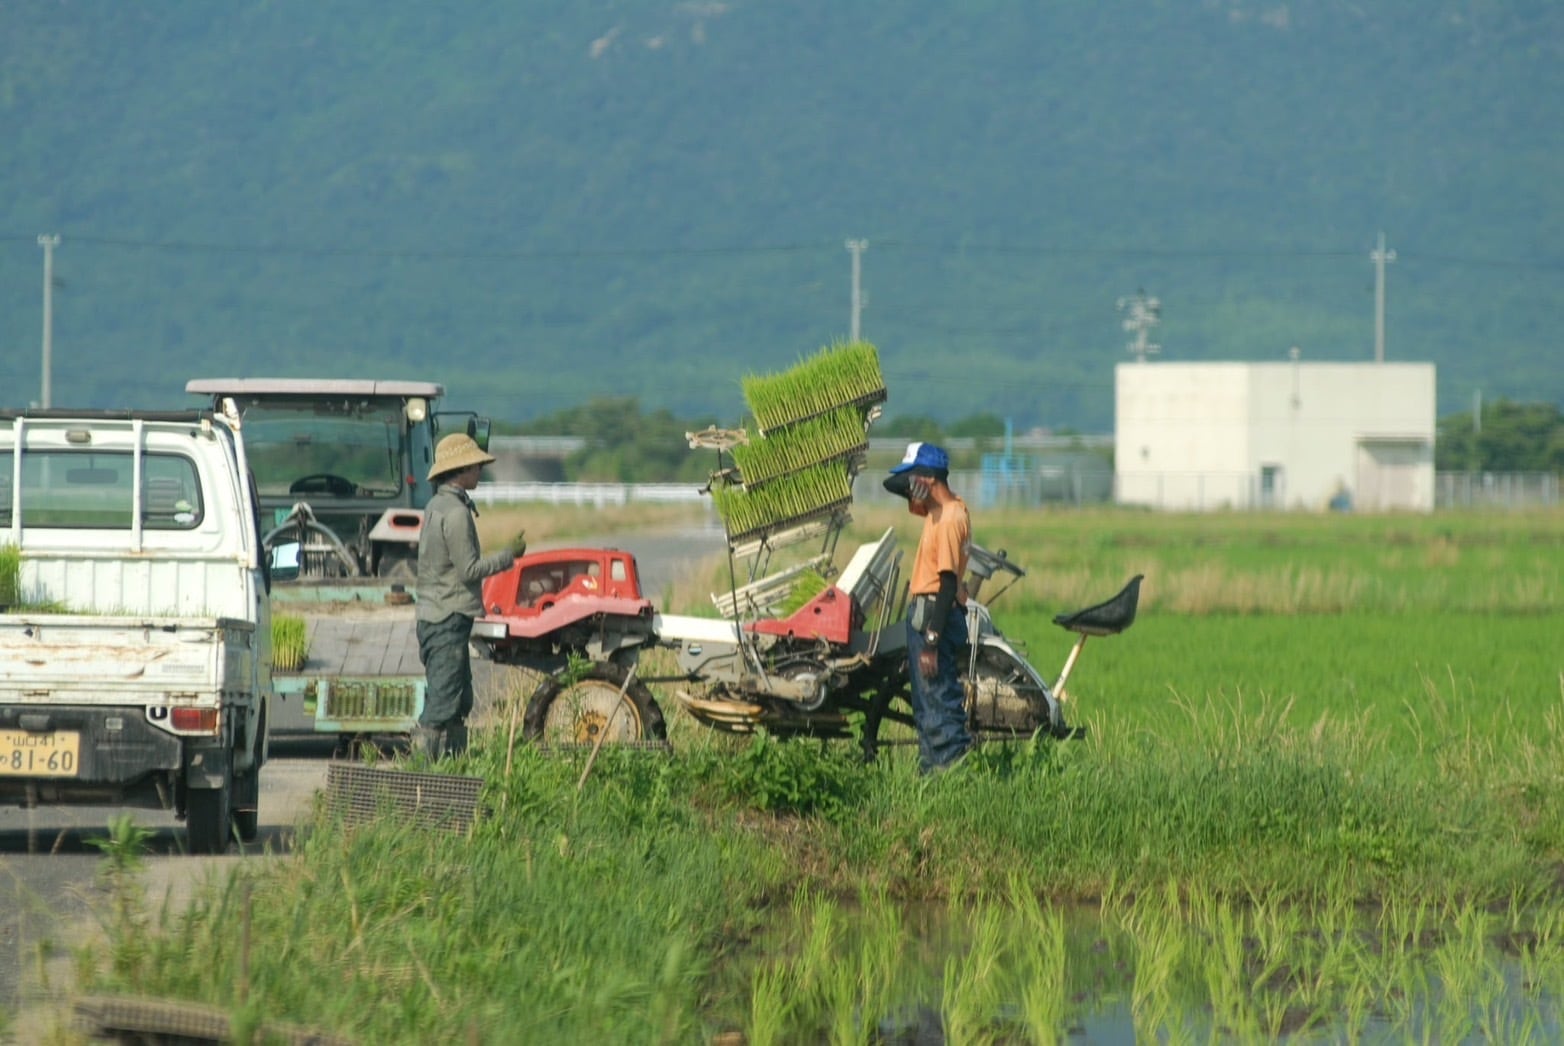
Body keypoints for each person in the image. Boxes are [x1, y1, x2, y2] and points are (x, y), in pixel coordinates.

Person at [414, 433, 524, 758]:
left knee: (459, 699)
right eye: (476, 466)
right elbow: (470, 571)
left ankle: (452, 767)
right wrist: (509, 556)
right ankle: (423, 777)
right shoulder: (457, 513)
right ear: (462, 470)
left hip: (434, 615)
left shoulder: (436, 505)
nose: (480, 472)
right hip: (447, 618)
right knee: (442, 704)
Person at [884, 441, 973, 774]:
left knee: (938, 703)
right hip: (934, 611)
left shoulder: (949, 519)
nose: (908, 484)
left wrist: (931, 643)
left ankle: (950, 776)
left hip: (935, 613)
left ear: (929, 479)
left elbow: (948, 583)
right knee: (927, 704)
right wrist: (914, 479)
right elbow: (890, 484)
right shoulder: (941, 507)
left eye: (914, 477)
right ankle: (931, 776)